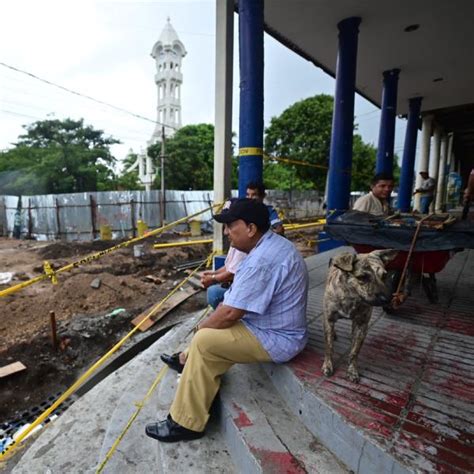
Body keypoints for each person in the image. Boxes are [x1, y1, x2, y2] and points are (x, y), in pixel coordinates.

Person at [146, 198, 309, 443]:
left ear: (251, 228)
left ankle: (186, 423)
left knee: (204, 338)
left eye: (231, 226)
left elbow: (231, 313)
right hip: (268, 325)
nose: (226, 232)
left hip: (278, 338)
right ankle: (187, 362)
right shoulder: (268, 246)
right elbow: (233, 304)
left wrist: (200, 328)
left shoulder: (262, 261)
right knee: (210, 330)